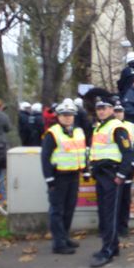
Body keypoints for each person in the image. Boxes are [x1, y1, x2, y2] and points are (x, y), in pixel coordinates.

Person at [87, 97, 134, 268]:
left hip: (112, 175)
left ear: (111, 110)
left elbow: (128, 152)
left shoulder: (117, 127)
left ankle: (107, 250)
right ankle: (113, 246)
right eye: (98, 108)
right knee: (105, 212)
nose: (101, 111)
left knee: (110, 214)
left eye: (104, 108)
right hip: (101, 174)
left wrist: (121, 175)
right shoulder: (100, 127)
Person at [41, 99, 86, 255]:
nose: (68, 117)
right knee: (57, 210)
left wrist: (85, 170)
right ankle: (58, 243)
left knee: (69, 209)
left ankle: (65, 236)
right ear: (58, 116)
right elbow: (45, 157)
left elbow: (82, 152)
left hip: (73, 175)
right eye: (64, 115)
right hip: (58, 177)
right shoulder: (53, 133)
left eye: (71, 115)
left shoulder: (78, 131)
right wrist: (49, 179)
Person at [113, 99, 134, 240]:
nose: (117, 114)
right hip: (111, 169)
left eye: (120, 111)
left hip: (127, 169)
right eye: (115, 111)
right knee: (110, 201)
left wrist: (133, 163)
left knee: (125, 200)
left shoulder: (132, 127)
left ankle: (123, 227)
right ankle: (108, 228)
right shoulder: (102, 127)